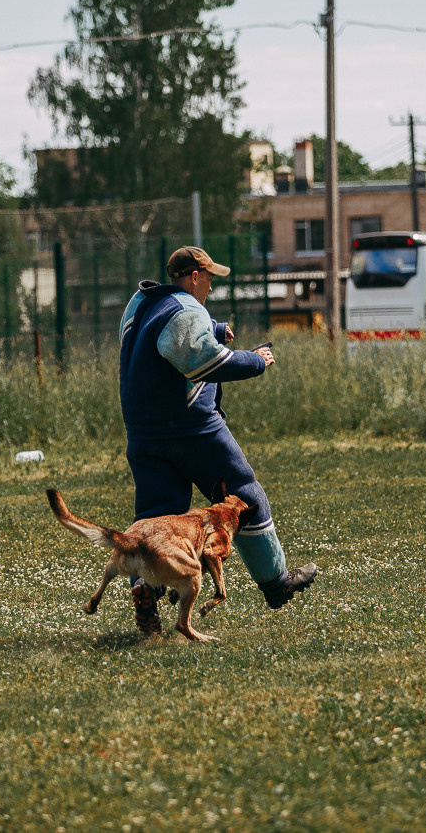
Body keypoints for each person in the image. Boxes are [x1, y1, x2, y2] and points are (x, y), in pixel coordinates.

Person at [118, 245, 318, 635]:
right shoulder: (189, 311)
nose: (210, 287)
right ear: (194, 276)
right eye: (209, 278)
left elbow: (162, 337)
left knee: (159, 523)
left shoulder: (141, 303)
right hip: (193, 430)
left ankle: (144, 586)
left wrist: (213, 329)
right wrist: (256, 359)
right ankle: (277, 583)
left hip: (143, 435)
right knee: (244, 496)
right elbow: (205, 362)